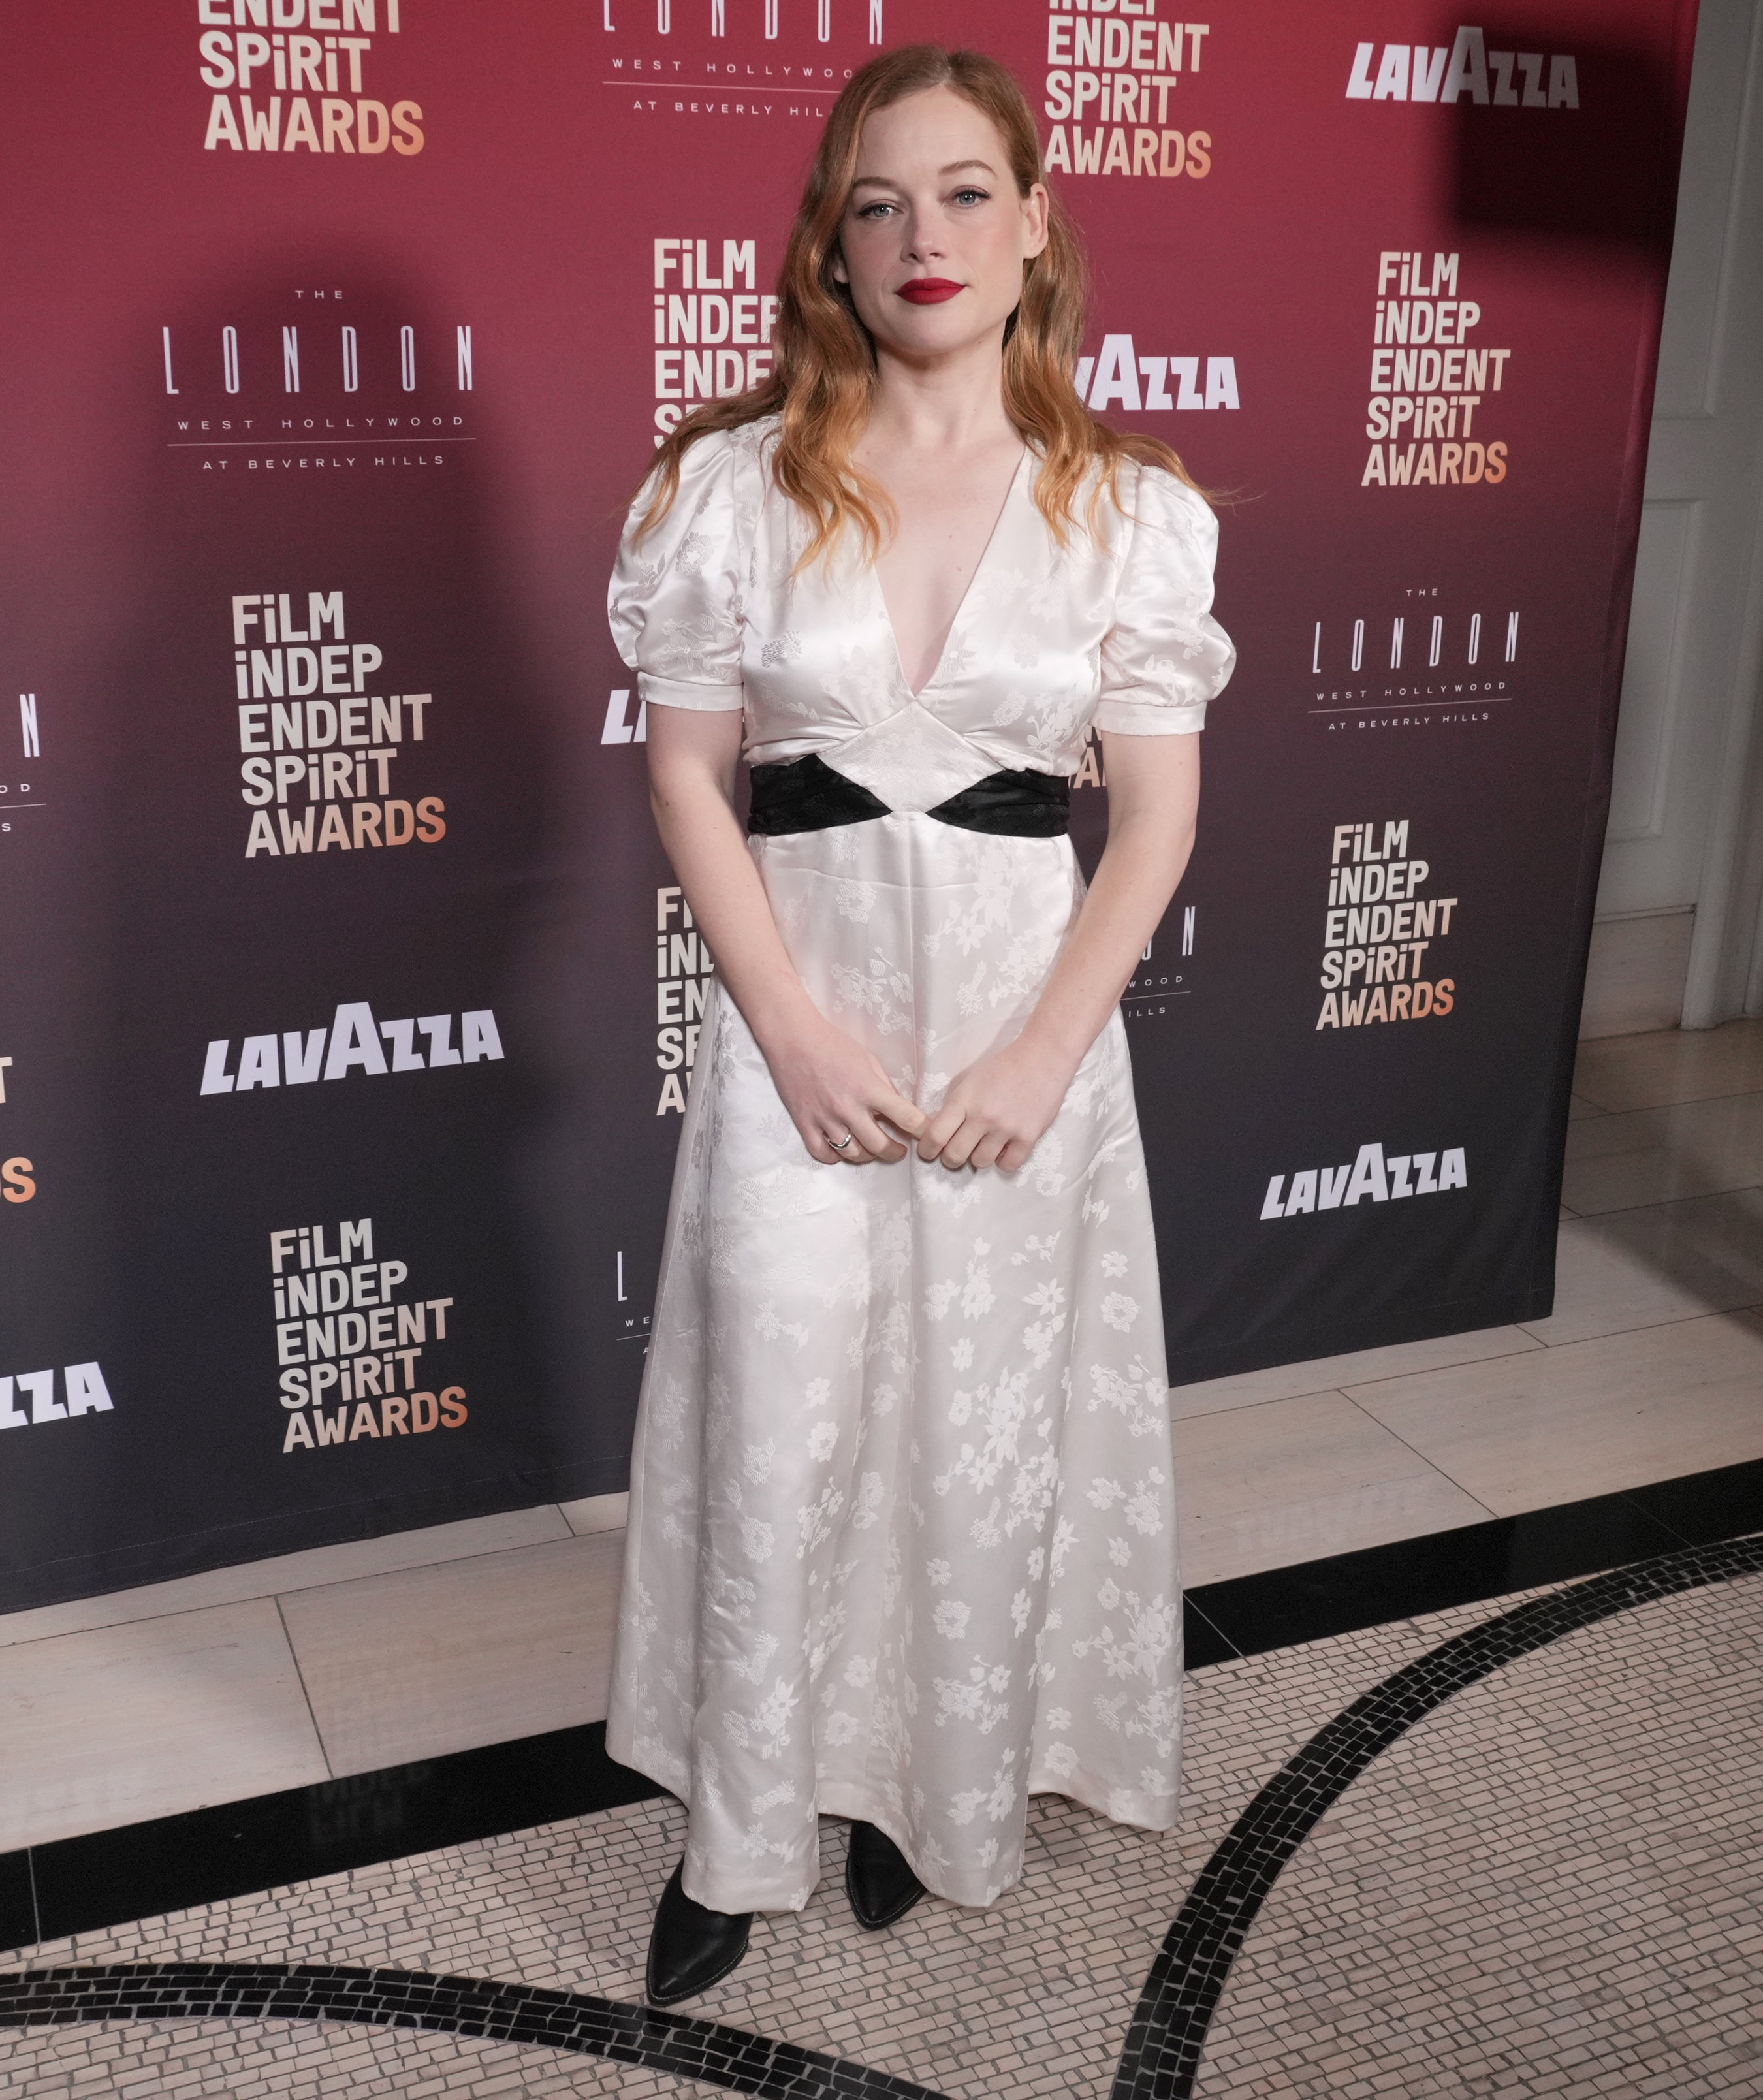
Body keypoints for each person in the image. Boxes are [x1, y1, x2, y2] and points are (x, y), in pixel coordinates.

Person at [605, 42, 1235, 2009]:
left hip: (1018, 1037)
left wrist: (1044, 1056)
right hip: (801, 1025)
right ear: (832, 244)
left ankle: (925, 1791)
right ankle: (742, 1825)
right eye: (876, 203)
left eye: (965, 193)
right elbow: (689, 775)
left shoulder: (1130, 509)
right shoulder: (724, 487)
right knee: (780, 1414)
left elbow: (1155, 821)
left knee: (976, 1429)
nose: (922, 236)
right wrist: (788, 1033)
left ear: (1035, 222)